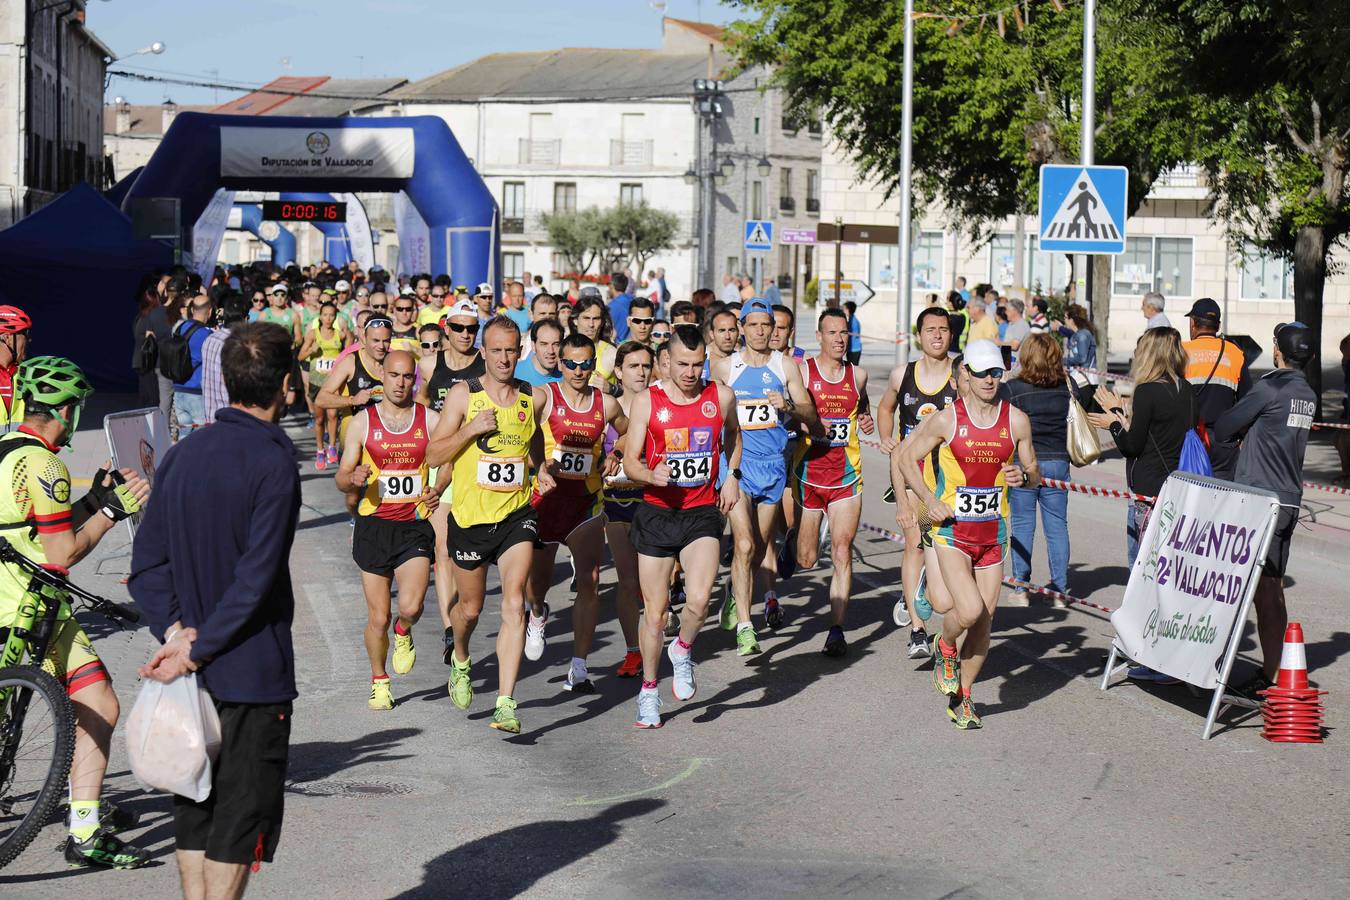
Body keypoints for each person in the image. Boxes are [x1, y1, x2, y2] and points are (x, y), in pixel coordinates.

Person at [132, 324, 297, 891]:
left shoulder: (182, 455)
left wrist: (177, 633)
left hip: (192, 670)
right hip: (250, 670)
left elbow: (147, 565)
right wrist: (193, 650)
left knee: (195, 806)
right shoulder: (275, 461)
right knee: (240, 815)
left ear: (223, 381)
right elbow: (257, 578)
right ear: (285, 385)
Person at [0, 358, 149, 867]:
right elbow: (61, 553)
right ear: (65, 409)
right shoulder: (45, 465)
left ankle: (83, 813)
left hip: (7, 601)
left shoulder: (5, 451)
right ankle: (84, 829)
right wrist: (112, 511)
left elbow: (30, 526)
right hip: (32, 609)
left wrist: (90, 499)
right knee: (101, 704)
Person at [897, 339, 1039, 729]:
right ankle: (945, 646)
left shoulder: (1016, 421)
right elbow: (906, 457)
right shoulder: (947, 419)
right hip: (951, 532)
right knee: (969, 609)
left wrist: (1022, 476)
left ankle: (963, 697)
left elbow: (1034, 473)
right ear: (967, 376)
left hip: (993, 533)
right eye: (982, 373)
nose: (990, 380)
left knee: (983, 623)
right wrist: (926, 499)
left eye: (996, 372)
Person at [427, 316, 555, 734]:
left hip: (517, 515)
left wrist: (541, 467)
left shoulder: (531, 397)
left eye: (511, 350)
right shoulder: (464, 395)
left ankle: (505, 702)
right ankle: (461, 657)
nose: (504, 358)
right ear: (483, 351)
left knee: (514, 601)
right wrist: (469, 429)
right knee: (470, 609)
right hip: (470, 519)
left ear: (521, 352)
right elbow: (432, 454)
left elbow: (533, 437)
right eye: (496, 350)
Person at [622, 324, 741, 728]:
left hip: (701, 511)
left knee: (698, 600)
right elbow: (630, 460)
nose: (691, 373)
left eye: (698, 364)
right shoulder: (646, 401)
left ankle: (684, 648)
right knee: (654, 615)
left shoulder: (720, 396)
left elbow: (733, 434)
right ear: (667, 362)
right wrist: (647, 475)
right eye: (683, 365)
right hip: (657, 513)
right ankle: (649, 691)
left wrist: (732, 475)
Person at [1087, 326, 1196, 684]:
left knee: (1143, 574)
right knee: (1168, 574)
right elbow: (1159, 433)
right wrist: (1120, 411)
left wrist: (1113, 425)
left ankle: (1151, 654)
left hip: (1148, 491)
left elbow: (1133, 444)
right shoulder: (1185, 389)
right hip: (1176, 489)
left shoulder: (1148, 390)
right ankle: (1170, 653)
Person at [1213, 322, 1317, 695]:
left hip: (1260, 499)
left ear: (1277, 350)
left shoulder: (1271, 386)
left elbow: (1225, 426)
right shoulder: (1307, 392)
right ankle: (1272, 674)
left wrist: (1244, 434)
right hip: (1288, 497)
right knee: (1270, 589)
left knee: (1246, 588)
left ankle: (1246, 670)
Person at [336, 351, 444, 710]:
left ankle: (404, 630)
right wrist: (351, 479)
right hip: (374, 526)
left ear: (415, 379)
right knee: (378, 616)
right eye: (394, 375)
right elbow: (342, 475)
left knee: (411, 606)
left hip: (413, 526)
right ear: (382, 375)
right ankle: (379, 680)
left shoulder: (430, 419)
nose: (400, 383)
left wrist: (438, 487)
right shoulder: (362, 423)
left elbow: (451, 460)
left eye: (407, 377)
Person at [711, 300, 816, 653]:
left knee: (756, 550)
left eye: (765, 325)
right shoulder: (725, 367)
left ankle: (733, 591)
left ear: (774, 329)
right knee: (742, 544)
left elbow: (811, 415)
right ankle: (745, 626)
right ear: (742, 327)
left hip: (773, 466)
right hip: (738, 465)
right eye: (752, 325)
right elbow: (711, 415)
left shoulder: (785, 365)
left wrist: (787, 405)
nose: (759, 331)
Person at [524, 334, 627, 691]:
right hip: (546, 501)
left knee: (591, 580)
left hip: (586, 501)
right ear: (560, 364)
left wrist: (617, 453)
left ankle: (580, 665)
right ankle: (537, 613)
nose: (579, 371)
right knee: (537, 583)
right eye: (571, 363)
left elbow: (632, 432)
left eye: (586, 364)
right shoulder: (544, 397)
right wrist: (537, 466)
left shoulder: (606, 404)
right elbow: (520, 430)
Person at [781, 308, 875, 657]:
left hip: (847, 476)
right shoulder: (804, 372)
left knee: (841, 551)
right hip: (808, 475)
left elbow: (860, 404)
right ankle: (792, 539)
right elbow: (790, 411)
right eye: (832, 333)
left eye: (844, 333)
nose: (839, 339)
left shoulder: (859, 375)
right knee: (807, 560)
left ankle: (836, 630)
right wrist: (798, 420)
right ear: (819, 336)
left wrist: (864, 418)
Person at [878, 306, 961, 656]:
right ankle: (917, 630)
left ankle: (922, 589)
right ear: (919, 335)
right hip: (911, 474)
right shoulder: (903, 374)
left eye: (943, 329)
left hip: (949, 476)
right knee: (914, 542)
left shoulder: (961, 375)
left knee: (939, 542)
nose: (937, 335)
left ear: (951, 335)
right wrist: (886, 437)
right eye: (930, 330)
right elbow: (885, 408)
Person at [415, 298, 485, 663]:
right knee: (442, 549)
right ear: (446, 329)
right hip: (442, 461)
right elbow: (421, 401)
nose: (464, 334)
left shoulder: (486, 365)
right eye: (457, 327)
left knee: (463, 555)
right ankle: (447, 628)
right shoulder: (429, 364)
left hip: (474, 465)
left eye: (471, 329)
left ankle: (461, 615)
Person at [1005, 333, 1090, 606]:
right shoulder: (1068, 385)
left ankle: (1021, 588)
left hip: (1023, 462)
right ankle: (1060, 589)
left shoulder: (1014, 388)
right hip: (1058, 461)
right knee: (1056, 526)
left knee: (1022, 524)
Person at [603, 342, 654, 677]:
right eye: (633, 366)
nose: (641, 372)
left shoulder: (661, 405)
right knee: (627, 581)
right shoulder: (606, 408)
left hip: (653, 504)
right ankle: (633, 650)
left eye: (646, 366)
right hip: (615, 504)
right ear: (618, 371)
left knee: (653, 586)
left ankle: (656, 632)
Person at [1181, 297, 1249, 479]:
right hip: (1225, 443)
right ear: (1217, 326)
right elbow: (1247, 401)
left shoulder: (1180, 352)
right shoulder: (1235, 353)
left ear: (1193, 323)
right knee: (1221, 498)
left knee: (1190, 498)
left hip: (1190, 440)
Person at [297, 301, 348, 469]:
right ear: (320, 316)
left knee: (333, 415)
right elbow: (300, 356)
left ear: (335, 317)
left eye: (331, 315)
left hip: (334, 382)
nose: (328, 318)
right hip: (317, 381)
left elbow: (347, 355)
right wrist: (311, 350)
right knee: (319, 418)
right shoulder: (313, 334)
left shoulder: (340, 335)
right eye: (325, 314)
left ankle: (332, 446)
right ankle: (320, 450)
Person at [201, 293, 250, 426]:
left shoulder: (209, 339)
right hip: (234, 419)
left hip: (211, 416)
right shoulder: (239, 344)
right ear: (245, 319)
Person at [171, 295, 216, 438]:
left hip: (178, 390)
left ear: (192, 309)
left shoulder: (179, 328)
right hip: (197, 392)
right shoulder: (207, 335)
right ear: (209, 312)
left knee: (184, 437)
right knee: (200, 440)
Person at [0, 304, 32, 430]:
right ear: (8, 338)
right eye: (25, 333)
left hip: (17, 449)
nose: (29, 340)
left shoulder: (27, 375)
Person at [516, 318, 563, 387]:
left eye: (556, 344)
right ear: (533, 346)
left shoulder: (568, 375)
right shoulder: (515, 373)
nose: (550, 351)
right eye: (544, 344)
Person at [1053, 303, 1098, 372]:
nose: (1064, 320)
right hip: (1077, 373)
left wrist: (1063, 361)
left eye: (1065, 317)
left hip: (1085, 376)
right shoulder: (1076, 334)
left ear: (1072, 320)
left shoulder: (1083, 335)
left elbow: (1082, 358)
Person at [1001, 297, 1030, 367]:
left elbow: (1014, 346)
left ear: (1014, 311)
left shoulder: (1022, 325)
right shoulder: (1011, 324)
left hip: (1017, 366)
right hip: (1009, 364)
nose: (1005, 312)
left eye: (1007, 310)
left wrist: (998, 342)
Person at [608, 273, 634, 342]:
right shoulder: (633, 301)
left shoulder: (611, 306)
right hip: (632, 343)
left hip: (618, 345)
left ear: (612, 286)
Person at [844, 300, 863, 366]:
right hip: (850, 349)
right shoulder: (850, 319)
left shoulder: (853, 321)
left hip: (854, 349)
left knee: (853, 369)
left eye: (845, 308)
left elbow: (855, 335)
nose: (843, 310)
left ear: (848, 309)